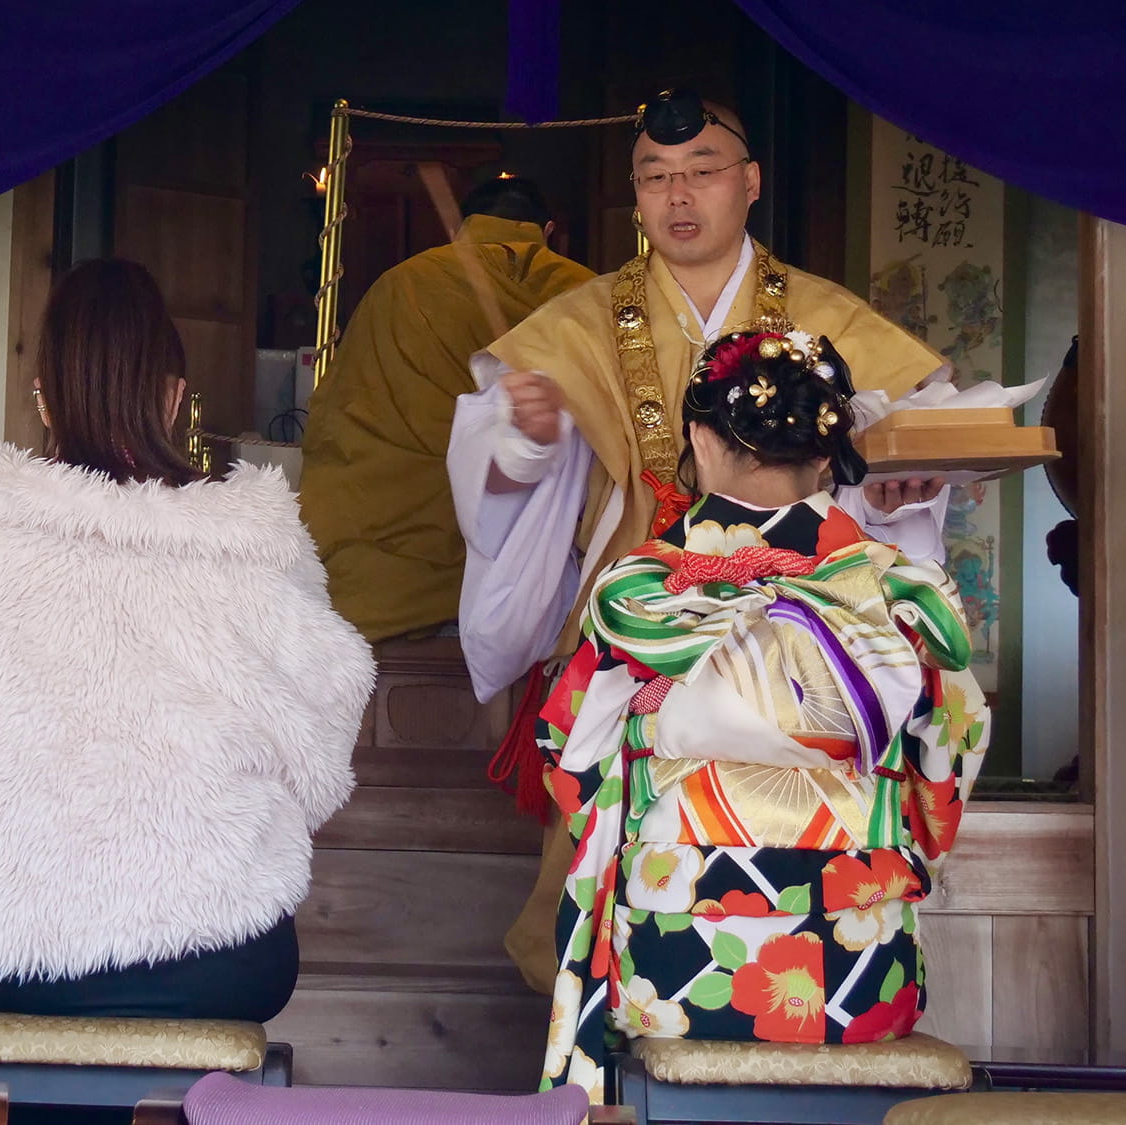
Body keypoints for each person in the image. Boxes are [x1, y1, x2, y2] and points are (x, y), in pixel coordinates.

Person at [448, 89, 950, 992]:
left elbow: (913, 448)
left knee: (795, 848)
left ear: (749, 182)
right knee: (607, 850)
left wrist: (900, 485)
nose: (679, 197)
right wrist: (526, 438)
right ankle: (615, 1030)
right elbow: (492, 472)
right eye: (656, 178)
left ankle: (784, 996)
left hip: (797, 640)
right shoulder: (580, 322)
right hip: (639, 628)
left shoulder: (825, 316)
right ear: (636, 197)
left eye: (703, 173)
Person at [0, 259, 374, 1022]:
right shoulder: (250, 538)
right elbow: (325, 737)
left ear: (45, 399)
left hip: (10, 953)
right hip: (224, 951)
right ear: (171, 395)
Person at [538, 332, 989, 1100]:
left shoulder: (645, 589)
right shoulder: (896, 594)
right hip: (855, 968)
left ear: (702, 440)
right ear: (827, 456)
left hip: (676, 958)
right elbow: (947, 756)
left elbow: (572, 763)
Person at [301, 176, 595, 642]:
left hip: (394, 577)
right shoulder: (590, 294)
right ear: (550, 230)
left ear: (458, 231)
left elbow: (337, 420)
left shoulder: (403, 284)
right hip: (544, 581)